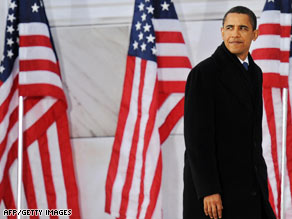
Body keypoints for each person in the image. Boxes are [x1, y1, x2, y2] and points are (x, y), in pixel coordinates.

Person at [183, 6, 276, 219]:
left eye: (243, 28)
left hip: (250, 186)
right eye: (230, 27)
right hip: (217, 193)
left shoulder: (255, 73)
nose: (235, 33)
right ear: (222, 31)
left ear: (255, 34)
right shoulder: (204, 73)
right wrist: (208, 190)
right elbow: (197, 139)